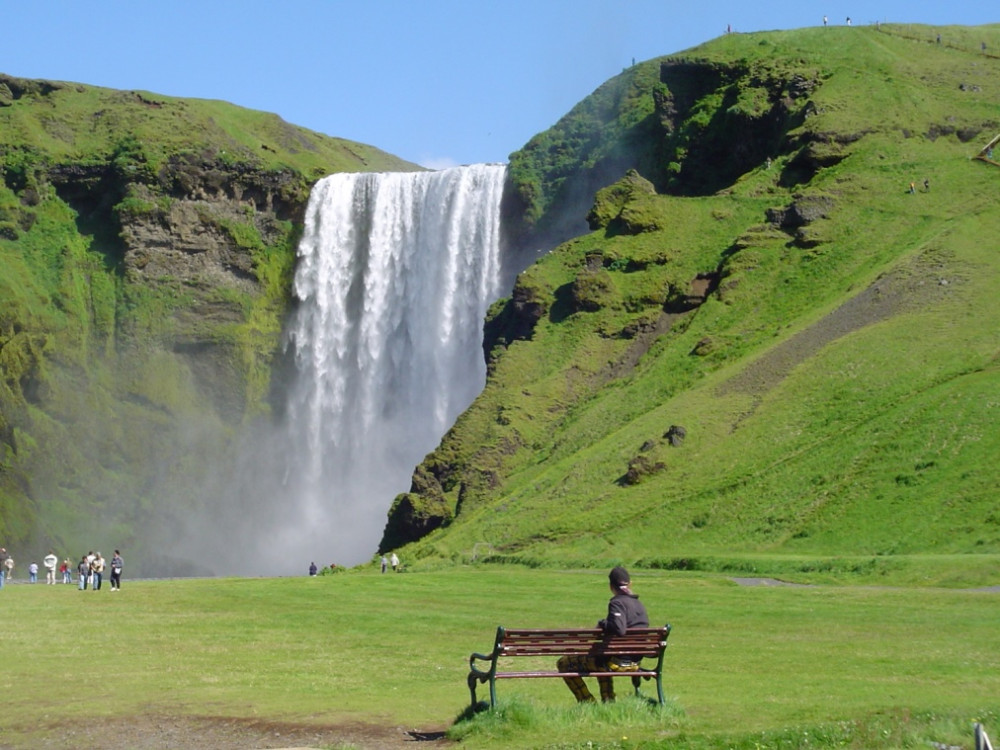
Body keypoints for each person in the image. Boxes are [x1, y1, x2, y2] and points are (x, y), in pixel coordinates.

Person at [558, 566, 650, 703]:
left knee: (564, 663)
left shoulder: (617, 603)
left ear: (611, 586)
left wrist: (603, 623)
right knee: (601, 658)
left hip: (616, 663)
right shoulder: (638, 604)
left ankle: (588, 702)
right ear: (630, 584)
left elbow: (619, 629)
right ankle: (608, 702)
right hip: (635, 662)